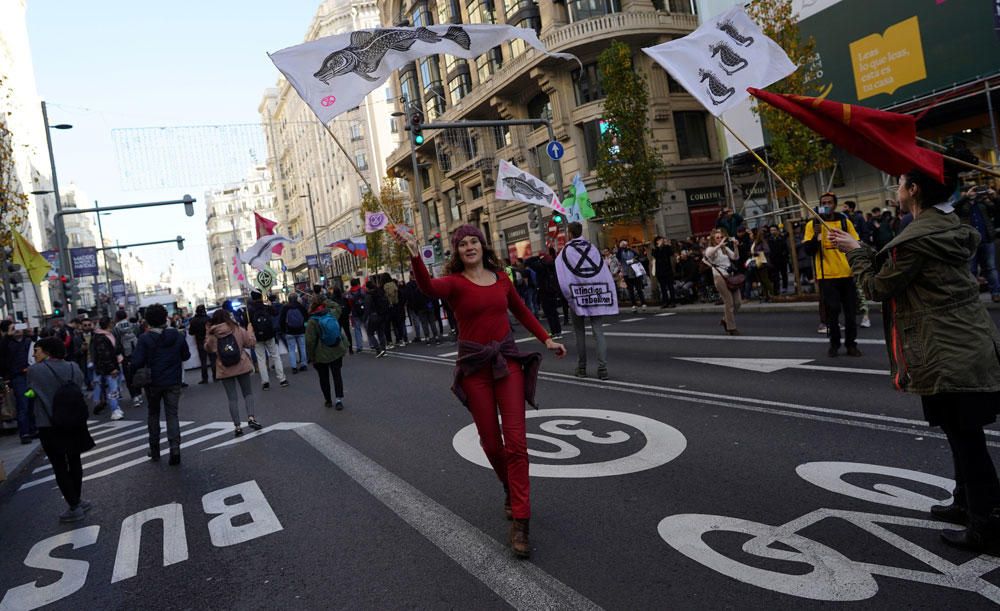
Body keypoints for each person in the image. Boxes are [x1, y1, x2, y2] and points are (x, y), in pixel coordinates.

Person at [830, 164, 1000, 553]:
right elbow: (900, 270)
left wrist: (856, 253)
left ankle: (987, 524)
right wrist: (867, 251)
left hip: (945, 348)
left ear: (915, 190)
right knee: (961, 433)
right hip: (963, 342)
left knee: (967, 438)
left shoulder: (918, 238)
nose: (896, 188)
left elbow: (878, 285)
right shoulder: (944, 226)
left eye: (900, 183)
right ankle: (966, 504)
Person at [397, 224, 566, 558]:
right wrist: (415, 254)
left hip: (507, 364)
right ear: (458, 252)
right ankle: (508, 487)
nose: (469, 247)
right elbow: (428, 288)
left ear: (483, 245)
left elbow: (519, 309)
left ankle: (521, 520)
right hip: (475, 368)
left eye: (474, 241)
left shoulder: (501, 278)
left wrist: (546, 338)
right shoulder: (455, 284)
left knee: (516, 444)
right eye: (463, 244)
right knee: (491, 442)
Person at [27, 337, 95, 523]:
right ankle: (78, 500)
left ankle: (73, 506)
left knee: (58, 465)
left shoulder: (35, 371)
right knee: (74, 461)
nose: (34, 354)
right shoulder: (73, 367)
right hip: (74, 422)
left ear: (47, 351)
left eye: (37, 350)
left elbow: (32, 391)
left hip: (49, 425)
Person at [804, 193, 863, 357]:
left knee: (851, 313)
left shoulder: (844, 222)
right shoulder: (813, 224)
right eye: (823, 203)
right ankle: (834, 344)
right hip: (827, 276)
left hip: (846, 273)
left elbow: (856, 244)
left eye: (830, 202)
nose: (827, 205)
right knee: (833, 312)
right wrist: (816, 236)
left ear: (835, 205)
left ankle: (851, 344)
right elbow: (808, 250)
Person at [556, 222, 617, 379]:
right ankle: (603, 369)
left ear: (569, 233)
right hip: (595, 294)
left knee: (579, 332)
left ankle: (582, 368)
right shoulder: (593, 248)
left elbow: (563, 277)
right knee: (598, 331)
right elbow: (602, 270)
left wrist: (568, 296)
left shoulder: (565, 251)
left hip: (578, 296)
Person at [131, 304, 190, 465]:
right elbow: (186, 355)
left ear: (148, 321)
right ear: (165, 317)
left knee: (153, 414)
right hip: (173, 380)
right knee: (172, 414)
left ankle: (155, 449)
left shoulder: (144, 339)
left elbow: (136, 362)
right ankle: (175, 448)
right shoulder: (177, 335)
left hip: (153, 383)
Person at [205, 308, 261, 437]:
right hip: (241, 364)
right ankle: (251, 418)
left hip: (224, 368)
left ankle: (237, 427)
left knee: (232, 398)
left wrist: (208, 333)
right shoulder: (237, 328)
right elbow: (250, 343)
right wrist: (250, 331)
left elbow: (208, 348)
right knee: (248, 393)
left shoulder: (213, 334)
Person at [956, 184, 1000, 302]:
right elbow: (953, 208)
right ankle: (972, 296)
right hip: (970, 242)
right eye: (970, 191)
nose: (973, 193)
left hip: (987, 239)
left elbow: (997, 210)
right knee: (972, 270)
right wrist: (966, 197)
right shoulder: (962, 205)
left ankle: (996, 293)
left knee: (991, 268)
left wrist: (994, 197)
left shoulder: (982, 203)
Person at [305, 296, 348, 409]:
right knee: (337, 375)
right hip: (336, 349)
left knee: (323, 377)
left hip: (320, 354)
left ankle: (328, 400)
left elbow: (310, 341)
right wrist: (326, 300)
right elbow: (338, 306)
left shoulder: (312, 321)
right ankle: (339, 399)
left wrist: (311, 356)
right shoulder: (331, 313)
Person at [1, 322, 36, 443]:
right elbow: (2, 354)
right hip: (18, 378)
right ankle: (24, 433)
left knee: (31, 402)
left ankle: (33, 429)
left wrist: (31, 332)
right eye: (13, 328)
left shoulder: (28, 341)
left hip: (30, 376)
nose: (17, 330)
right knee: (23, 404)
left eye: (19, 328)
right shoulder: (7, 343)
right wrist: (8, 335)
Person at [247, 290, 288, 390]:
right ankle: (282, 379)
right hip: (270, 335)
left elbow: (247, 324)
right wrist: (269, 304)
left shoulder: (249, 311)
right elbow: (276, 312)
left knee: (261, 359)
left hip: (257, 337)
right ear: (261, 296)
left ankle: (265, 382)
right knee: (275, 356)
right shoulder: (266, 307)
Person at [704, 229, 742, 335]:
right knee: (729, 302)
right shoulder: (711, 249)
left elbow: (735, 257)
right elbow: (708, 254)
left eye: (721, 237)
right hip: (719, 277)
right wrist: (719, 245)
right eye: (717, 237)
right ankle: (731, 328)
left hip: (730, 276)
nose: (720, 239)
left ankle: (725, 319)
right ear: (713, 239)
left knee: (738, 302)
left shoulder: (724, 248)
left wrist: (735, 246)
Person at [90, 316, 124, 420]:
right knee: (112, 389)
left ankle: (116, 407)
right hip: (108, 367)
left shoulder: (105, 335)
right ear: (109, 324)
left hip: (109, 365)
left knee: (113, 388)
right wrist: (111, 368)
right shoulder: (101, 337)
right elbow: (104, 354)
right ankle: (114, 410)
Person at [113, 310, 143, 405]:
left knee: (129, 376)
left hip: (125, 354)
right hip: (137, 352)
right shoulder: (134, 325)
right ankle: (139, 394)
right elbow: (139, 335)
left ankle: (134, 397)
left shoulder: (116, 328)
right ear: (126, 316)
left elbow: (116, 342)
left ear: (117, 317)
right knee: (137, 373)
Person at [280, 293, 309, 373]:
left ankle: (294, 367)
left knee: (291, 349)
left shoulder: (285, 307)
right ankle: (304, 364)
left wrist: (284, 330)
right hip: (301, 330)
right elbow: (306, 317)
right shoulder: (300, 307)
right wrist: (305, 327)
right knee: (302, 347)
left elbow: (281, 320)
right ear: (296, 299)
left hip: (289, 331)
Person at [615, 240, 647, 313]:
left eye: (625, 244)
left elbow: (638, 257)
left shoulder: (631, 251)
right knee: (630, 290)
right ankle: (634, 305)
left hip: (635, 271)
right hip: (626, 273)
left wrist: (634, 259)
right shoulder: (620, 253)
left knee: (639, 288)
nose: (624, 246)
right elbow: (618, 256)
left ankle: (643, 303)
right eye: (623, 245)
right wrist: (620, 248)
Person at [188, 305, 213, 384]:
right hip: (209, 340)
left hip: (200, 342)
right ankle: (215, 376)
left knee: (203, 361)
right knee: (213, 359)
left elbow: (191, 332)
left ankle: (205, 378)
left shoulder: (193, 320)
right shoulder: (208, 319)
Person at [652, 236, 676, 308]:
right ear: (657, 241)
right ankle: (665, 302)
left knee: (670, 286)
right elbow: (655, 256)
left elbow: (671, 254)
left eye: (662, 239)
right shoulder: (655, 250)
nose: (661, 241)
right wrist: (658, 248)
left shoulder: (667, 247)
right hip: (660, 271)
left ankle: (673, 301)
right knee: (663, 288)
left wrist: (667, 245)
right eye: (659, 240)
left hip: (667, 270)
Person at [347, 278, 368, 352]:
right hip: (363, 310)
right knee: (367, 327)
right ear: (357, 283)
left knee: (357, 329)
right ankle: (372, 344)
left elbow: (349, 303)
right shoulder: (362, 289)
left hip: (355, 312)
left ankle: (359, 347)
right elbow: (366, 298)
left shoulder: (349, 292)